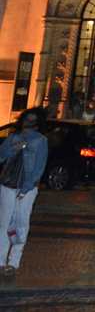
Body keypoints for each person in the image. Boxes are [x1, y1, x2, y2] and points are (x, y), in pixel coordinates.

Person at [0, 109, 48, 276]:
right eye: (26, 120)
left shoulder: (41, 141)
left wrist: (27, 188)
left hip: (27, 188)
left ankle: (13, 263)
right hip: (8, 184)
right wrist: (14, 148)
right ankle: (0, 261)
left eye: (32, 122)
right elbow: (1, 155)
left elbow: (39, 168)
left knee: (21, 224)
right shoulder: (13, 137)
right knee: (5, 222)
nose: (28, 124)